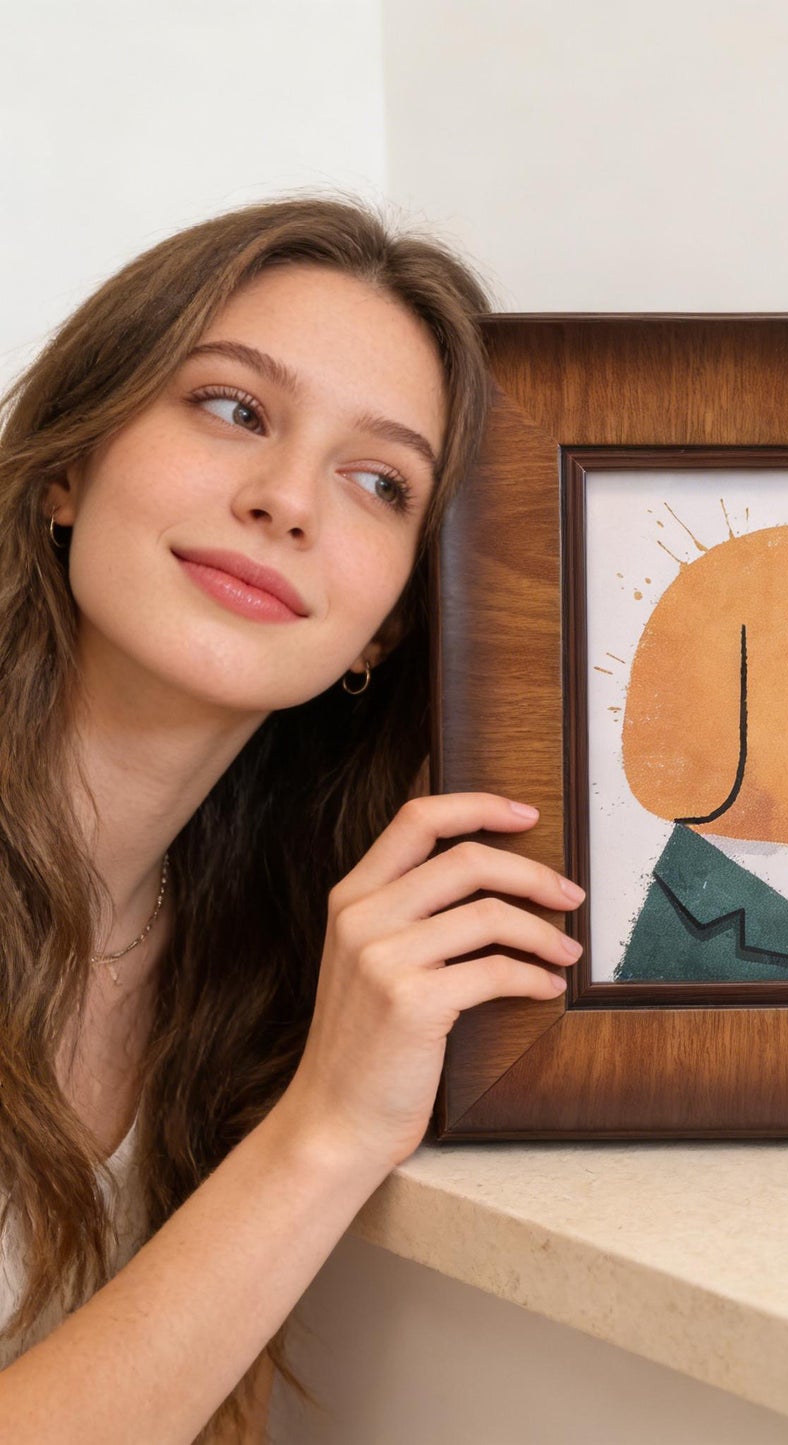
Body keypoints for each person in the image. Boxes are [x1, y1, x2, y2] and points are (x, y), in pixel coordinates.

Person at [0, 192, 586, 1442]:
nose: (287, 500)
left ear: (386, 621)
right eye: (232, 408)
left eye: (380, 481)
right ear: (66, 464)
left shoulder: (265, 959)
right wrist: (326, 1129)